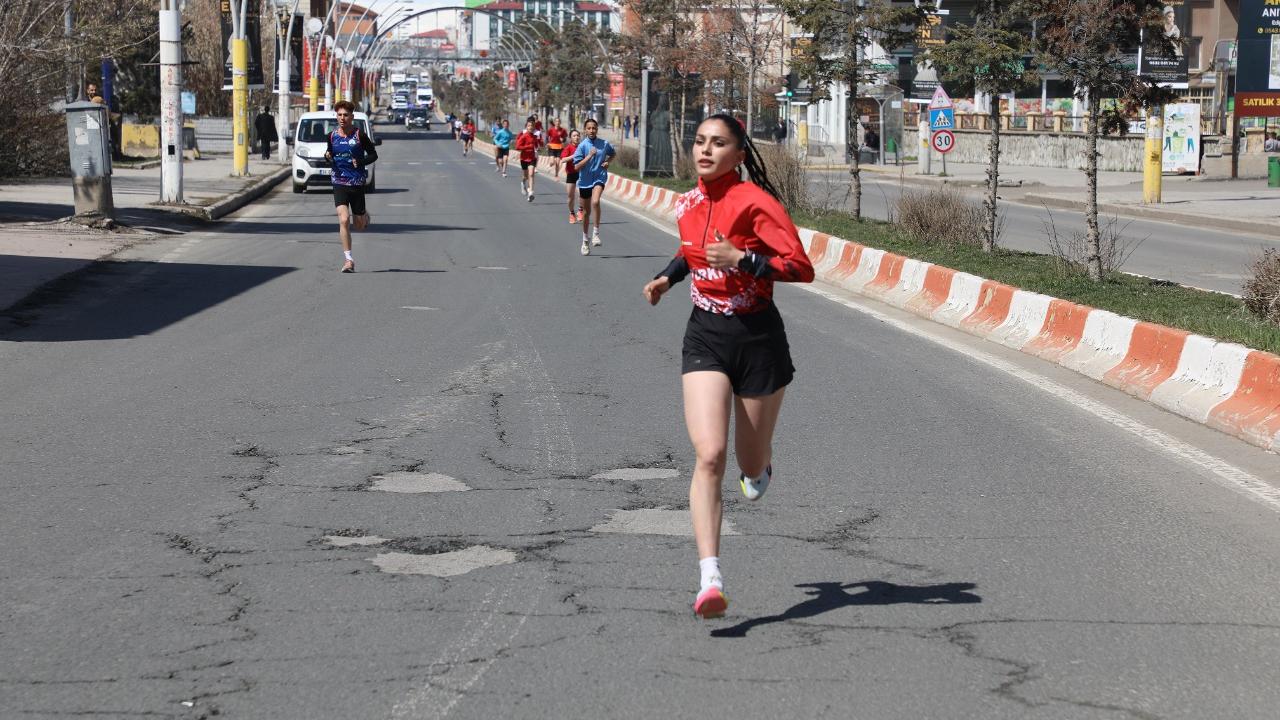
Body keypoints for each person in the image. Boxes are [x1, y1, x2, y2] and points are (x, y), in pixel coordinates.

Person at [640, 113, 814, 620]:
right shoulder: (687, 201)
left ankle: (760, 464)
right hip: (706, 337)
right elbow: (691, 251)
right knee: (709, 454)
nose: (705, 150)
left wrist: (745, 260)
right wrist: (666, 278)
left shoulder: (759, 204)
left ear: (740, 154)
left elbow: (801, 268)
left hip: (758, 340)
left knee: (747, 465)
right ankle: (709, 576)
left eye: (718, 144)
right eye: (699, 141)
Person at [324, 100, 378, 273]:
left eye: (345, 115)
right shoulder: (332, 136)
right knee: (344, 219)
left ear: (351, 117)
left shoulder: (359, 135)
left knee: (359, 226)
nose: (342, 118)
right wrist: (327, 156)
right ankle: (349, 260)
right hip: (338, 181)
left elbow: (373, 155)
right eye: (339, 115)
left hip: (356, 183)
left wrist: (360, 162)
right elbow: (329, 153)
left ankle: (364, 215)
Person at [570, 118, 616, 255]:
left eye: (594, 128)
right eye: (589, 128)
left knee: (595, 201)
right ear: (585, 130)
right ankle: (585, 240)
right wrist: (589, 156)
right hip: (584, 182)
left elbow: (613, 154)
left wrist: (608, 162)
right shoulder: (582, 146)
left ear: (597, 129)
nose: (591, 130)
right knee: (585, 213)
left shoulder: (604, 143)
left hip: (599, 177)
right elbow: (576, 167)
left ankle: (595, 234)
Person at [515, 118, 542, 202]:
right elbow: (517, 147)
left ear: (534, 127)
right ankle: (523, 183)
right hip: (524, 158)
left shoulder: (535, 137)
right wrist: (527, 147)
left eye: (532, 125)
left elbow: (537, 145)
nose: (530, 127)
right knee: (525, 176)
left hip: (532, 158)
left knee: (531, 174)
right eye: (529, 125)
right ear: (526, 127)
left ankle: (530, 192)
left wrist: (539, 145)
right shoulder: (524, 136)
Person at [561, 129, 582, 225]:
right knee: (570, 196)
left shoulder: (583, 147)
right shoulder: (568, 148)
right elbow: (563, 159)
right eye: (574, 136)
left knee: (582, 193)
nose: (576, 137)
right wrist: (574, 156)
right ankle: (572, 213)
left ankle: (580, 210)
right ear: (570, 138)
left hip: (581, 173)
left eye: (578, 135)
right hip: (571, 173)